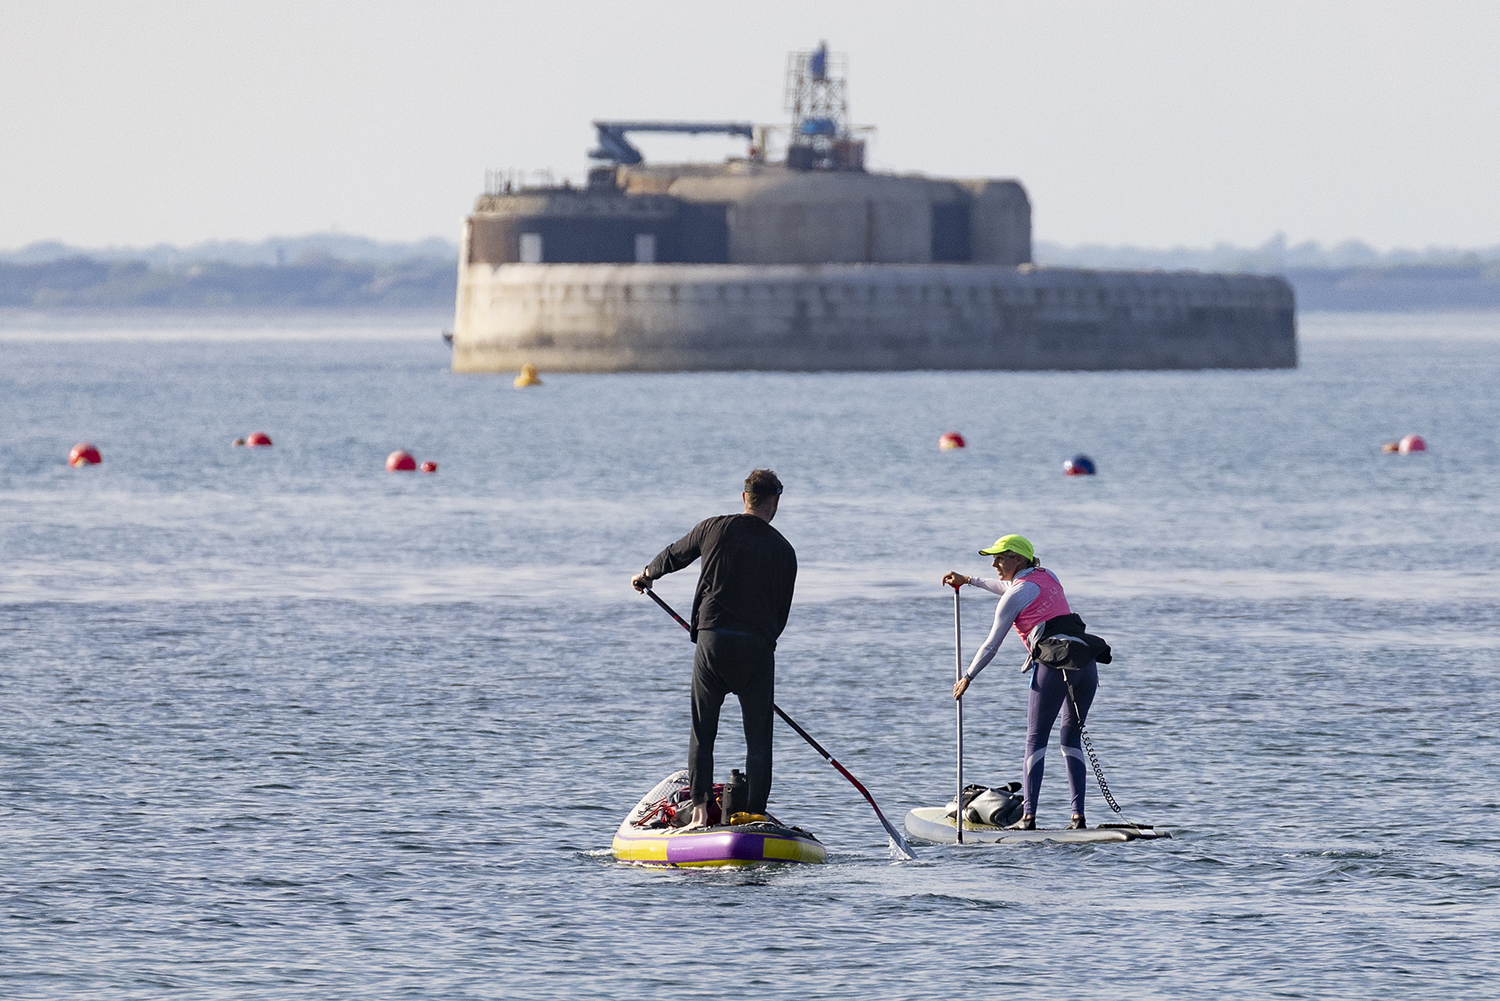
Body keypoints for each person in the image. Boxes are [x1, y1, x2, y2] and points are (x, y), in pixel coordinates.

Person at [632, 469, 797, 829]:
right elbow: (781, 614)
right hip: (757, 649)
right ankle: (753, 813)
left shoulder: (713, 528)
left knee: (703, 732)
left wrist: (647, 574)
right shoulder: (785, 550)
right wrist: (762, 646)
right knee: (758, 740)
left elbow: (674, 555)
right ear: (776, 502)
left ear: (744, 498)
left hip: (712, 642)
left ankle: (702, 809)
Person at [943, 534, 1105, 831]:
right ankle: (1078, 818)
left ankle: (1028, 818)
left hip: (1055, 667)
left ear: (1018, 558)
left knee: (1035, 740)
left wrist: (968, 676)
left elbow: (992, 644)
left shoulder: (1016, 594)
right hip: (1085, 662)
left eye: (1000, 557)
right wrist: (969, 580)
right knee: (1070, 739)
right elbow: (1009, 588)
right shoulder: (1047, 576)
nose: (994, 563)